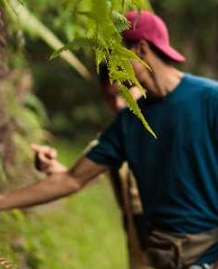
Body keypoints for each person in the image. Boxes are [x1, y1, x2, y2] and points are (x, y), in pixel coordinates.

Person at [0, 10, 218, 269]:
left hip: (211, 252)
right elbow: (72, 178)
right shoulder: (128, 122)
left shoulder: (213, 99)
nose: (109, 64)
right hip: (159, 255)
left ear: (140, 49)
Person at [31, 64, 150, 269]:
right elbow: (75, 178)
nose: (119, 104)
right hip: (141, 251)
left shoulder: (170, 126)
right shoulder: (111, 142)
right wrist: (48, 164)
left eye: (124, 93)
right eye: (111, 98)